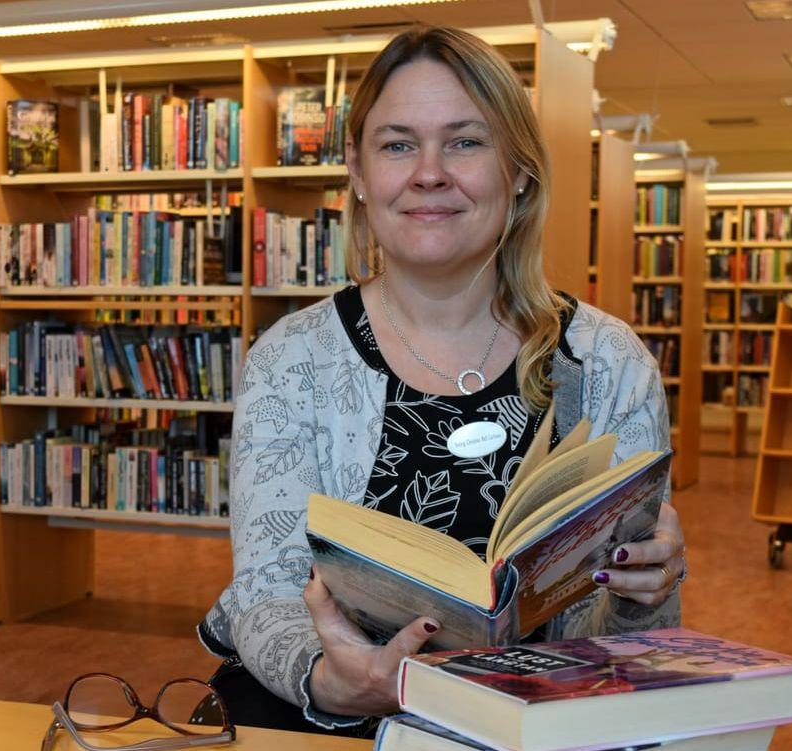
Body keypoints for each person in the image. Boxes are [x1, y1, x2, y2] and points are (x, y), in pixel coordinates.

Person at [197, 27, 686, 735]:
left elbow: (634, 647)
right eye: (398, 144)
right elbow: (266, 593)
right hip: (331, 725)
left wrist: (648, 590)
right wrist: (328, 680)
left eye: (464, 141)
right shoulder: (291, 359)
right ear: (360, 175)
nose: (429, 172)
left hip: (534, 729)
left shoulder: (607, 362)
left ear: (518, 169)